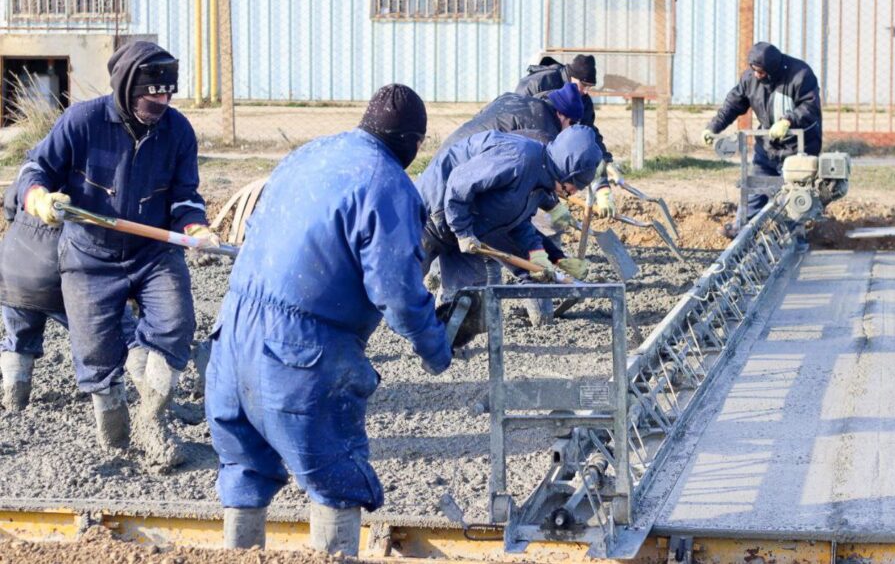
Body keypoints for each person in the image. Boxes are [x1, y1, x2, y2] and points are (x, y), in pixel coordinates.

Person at [205, 84, 452, 556]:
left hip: (233, 334)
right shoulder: (386, 183)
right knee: (335, 472)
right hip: (301, 349)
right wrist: (435, 346)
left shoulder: (308, 154)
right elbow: (397, 292)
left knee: (244, 467)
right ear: (413, 142)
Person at [17, 41, 216, 468]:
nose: (161, 104)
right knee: (95, 351)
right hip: (89, 255)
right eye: (152, 96)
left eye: (168, 94)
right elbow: (35, 169)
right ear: (127, 87)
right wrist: (38, 198)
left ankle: (152, 419)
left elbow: (185, 195)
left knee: (175, 322)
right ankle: (114, 430)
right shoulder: (83, 122)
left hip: (153, 252)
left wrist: (195, 226)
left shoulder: (177, 131)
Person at [416, 125, 601, 307]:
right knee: (404, 287)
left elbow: (516, 223)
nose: (574, 192)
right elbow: (459, 183)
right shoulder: (520, 158)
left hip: (467, 230)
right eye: (575, 186)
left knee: (469, 302)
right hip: (430, 217)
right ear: (567, 173)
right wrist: (462, 231)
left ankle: (444, 325)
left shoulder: (541, 184)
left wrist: (540, 255)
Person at [0, 181, 141, 411]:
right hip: (64, 273)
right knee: (126, 333)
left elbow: (10, 209)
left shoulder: (32, 177)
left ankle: (15, 400)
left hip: (13, 269)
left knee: (19, 339)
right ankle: (154, 403)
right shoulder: (97, 184)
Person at [701, 42, 822, 237]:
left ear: (772, 69)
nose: (757, 75)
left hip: (799, 146)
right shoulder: (750, 79)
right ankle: (742, 228)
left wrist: (788, 121)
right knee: (755, 187)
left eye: (761, 71)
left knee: (792, 195)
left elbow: (810, 107)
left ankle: (791, 234)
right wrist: (713, 127)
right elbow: (733, 103)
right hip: (768, 144)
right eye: (754, 70)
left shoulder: (800, 75)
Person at [515, 54, 618, 220]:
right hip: (526, 141)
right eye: (584, 84)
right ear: (573, 76)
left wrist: (603, 162)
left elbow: (587, 133)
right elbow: (520, 114)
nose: (586, 91)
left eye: (590, 87)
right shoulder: (540, 82)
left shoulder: (583, 100)